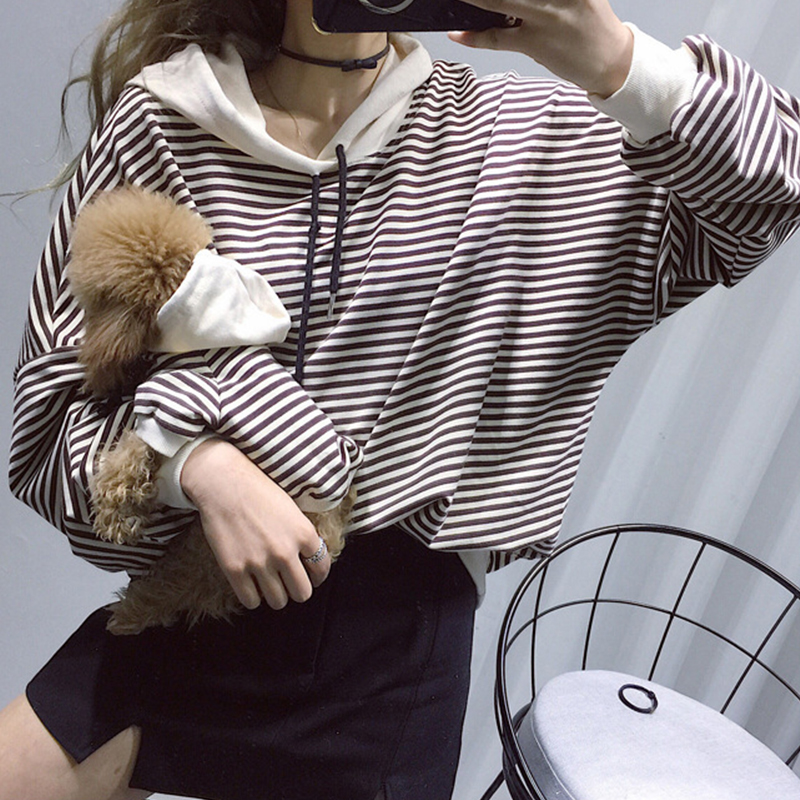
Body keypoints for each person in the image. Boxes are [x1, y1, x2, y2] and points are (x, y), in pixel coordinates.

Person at [1, 0, 799, 798]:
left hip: (388, 672)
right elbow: (46, 432)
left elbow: (774, 188)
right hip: (192, 612)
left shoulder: (525, 144)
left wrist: (617, 60)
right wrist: (197, 466)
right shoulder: (165, 120)